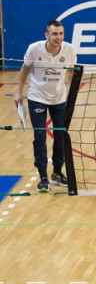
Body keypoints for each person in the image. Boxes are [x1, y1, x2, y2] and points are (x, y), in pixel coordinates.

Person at [14, 20, 77, 193]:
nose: (59, 37)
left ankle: (57, 173)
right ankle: (43, 177)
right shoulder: (34, 49)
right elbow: (24, 69)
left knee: (60, 136)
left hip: (59, 99)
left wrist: (71, 96)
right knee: (40, 136)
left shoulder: (70, 50)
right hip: (37, 98)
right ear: (46, 35)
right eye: (55, 34)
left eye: (61, 34)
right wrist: (19, 92)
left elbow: (72, 72)